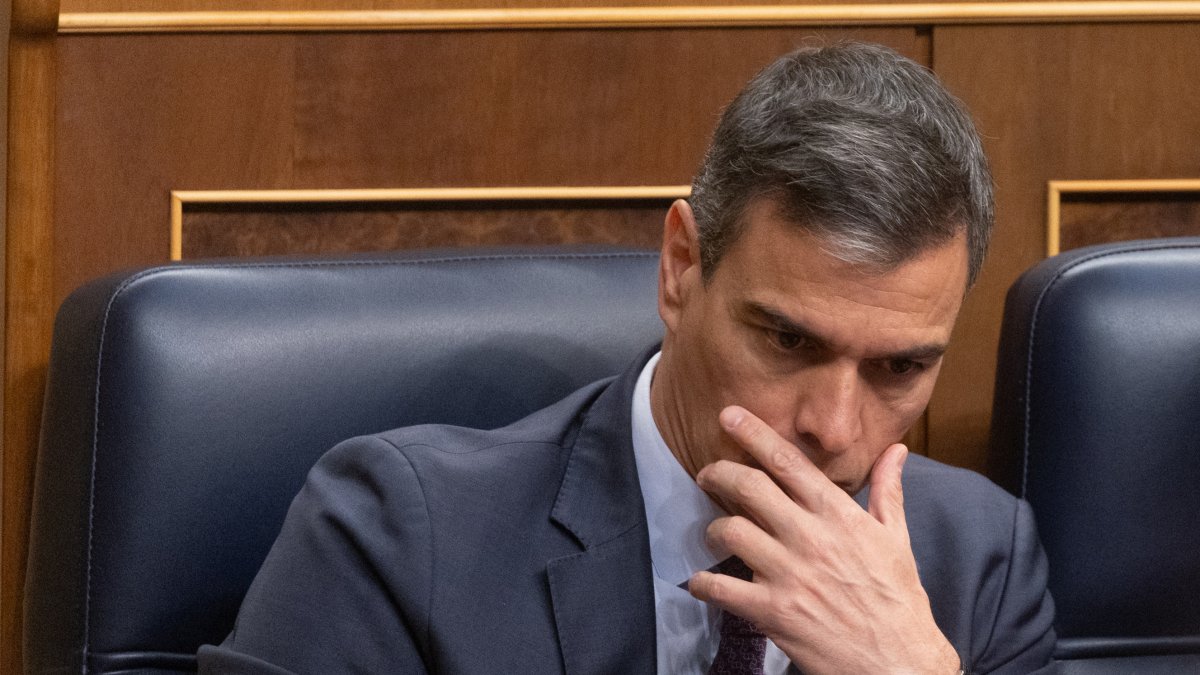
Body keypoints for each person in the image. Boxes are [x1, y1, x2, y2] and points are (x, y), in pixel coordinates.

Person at [199, 42, 1056, 674]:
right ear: (682, 268)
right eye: (788, 340)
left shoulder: (977, 561)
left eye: (898, 368)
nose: (833, 428)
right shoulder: (399, 536)